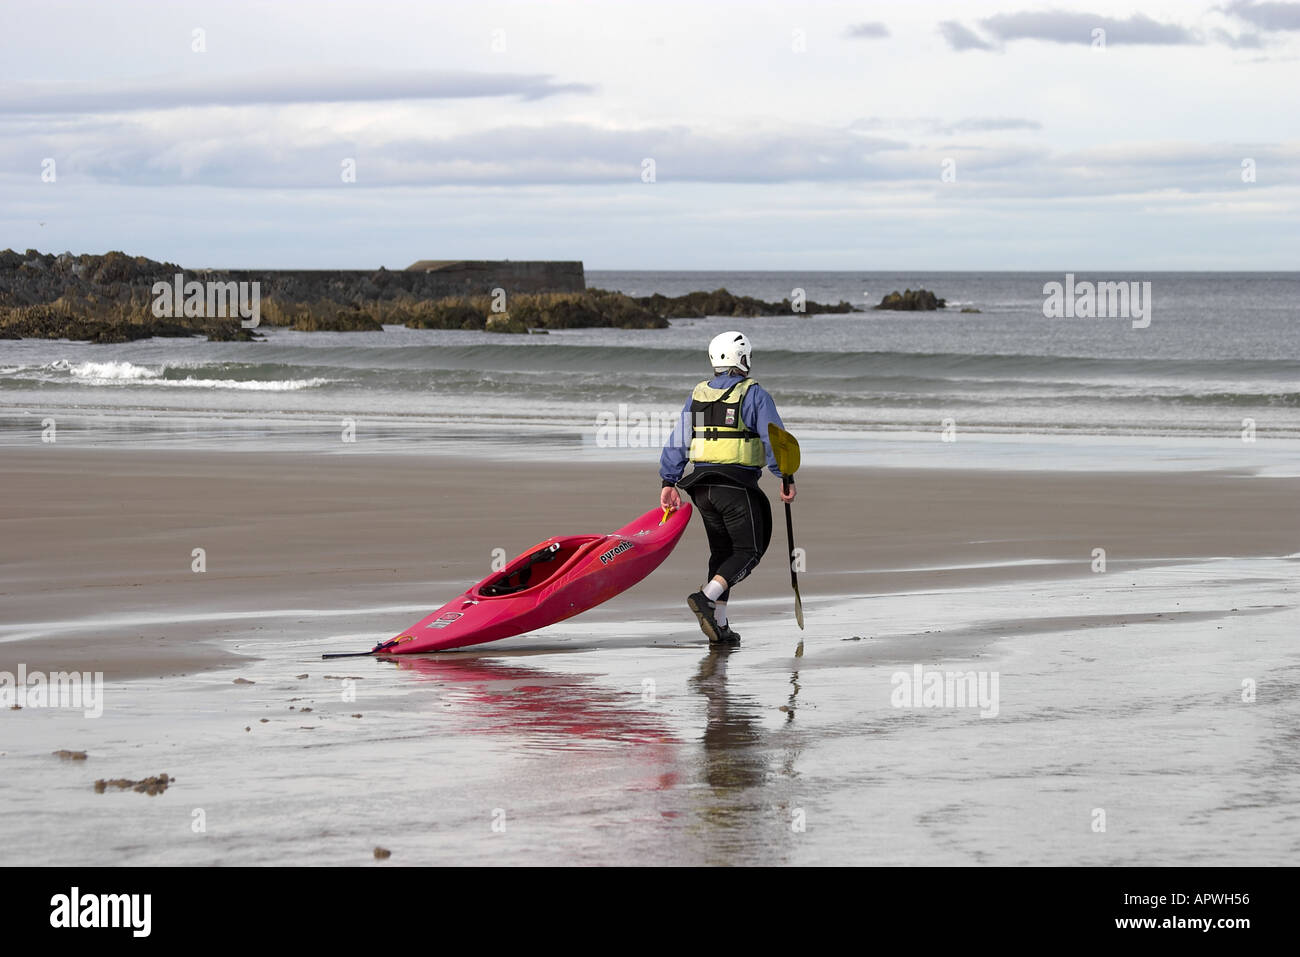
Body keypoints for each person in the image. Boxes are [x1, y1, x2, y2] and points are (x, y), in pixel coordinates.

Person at [659, 331, 795, 644]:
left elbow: (679, 440)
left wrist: (669, 481)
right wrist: (785, 476)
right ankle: (706, 598)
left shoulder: (698, 393)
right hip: (735, 486)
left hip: (702, 488)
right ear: (742, 359)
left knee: (722, 554)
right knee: (749, 552)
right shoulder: (755, 393)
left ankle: (719, 624)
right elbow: (775, 439)